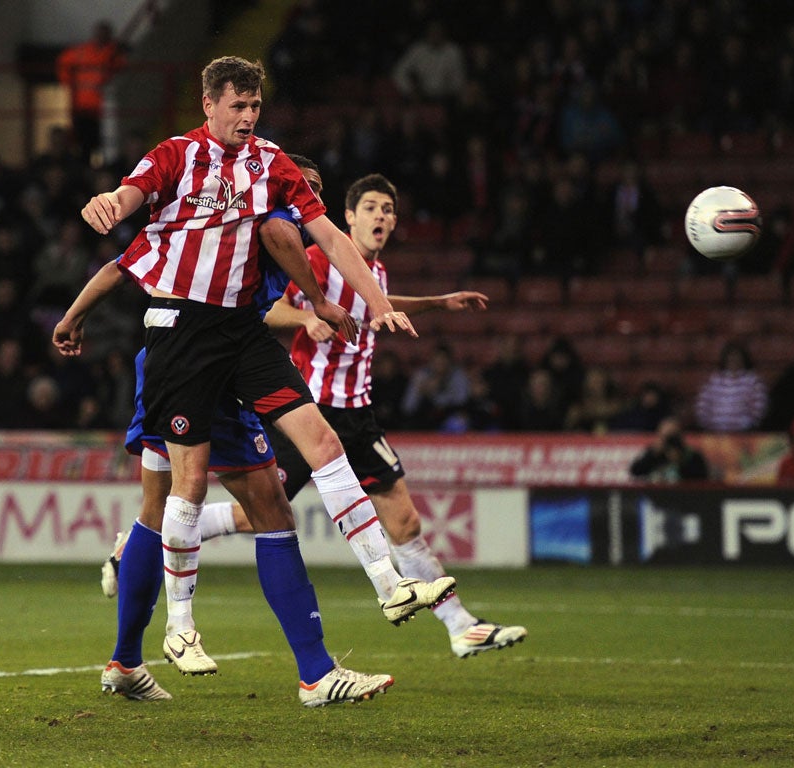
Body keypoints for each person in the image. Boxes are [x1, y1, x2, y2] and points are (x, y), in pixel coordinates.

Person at [71, 56, 426, 707]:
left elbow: (323, 235)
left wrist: (368, 298)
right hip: (179, 339)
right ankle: (160, 639)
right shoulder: (176, 161)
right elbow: (129, 208)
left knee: (280, 491)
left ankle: (325, 663)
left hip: (240, 339)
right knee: (170, 496)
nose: (247, 118)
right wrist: (109, 205)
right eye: (236, 106)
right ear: (208, 105)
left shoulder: (272, 168)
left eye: (255, 107)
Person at [265, 172, 526, 658]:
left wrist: (438, 302)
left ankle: (460, 625)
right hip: (313, 414)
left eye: (388, 209)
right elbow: (268, 309)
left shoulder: (374, 273)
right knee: (254, 513)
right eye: (371, 207)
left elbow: (377, 307)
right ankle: (146, 539)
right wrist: (305, 318)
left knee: (404, 522)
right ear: (347, 215)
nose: (381, 216)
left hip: (358, 416)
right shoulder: (320, 259)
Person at [56, 20, 127, 164]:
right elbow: (63, 63)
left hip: (102, 110)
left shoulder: (113, 54)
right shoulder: (83, 52)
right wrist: (68, 83)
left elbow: (121, 70)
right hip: (83, 108)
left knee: (104, 144)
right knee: (84, 146)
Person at [693, 340, 768, 432]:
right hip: (714, 434)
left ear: (744, 359)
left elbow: (758, 409)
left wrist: (748, 425)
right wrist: (707, 426)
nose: (733, 360)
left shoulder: (753, 381)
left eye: (737, 357)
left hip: (743, 433)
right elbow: (702, 405)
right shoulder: (713, 380)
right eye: (730, 357)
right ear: (725, 359)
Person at [628, 417, 709, 483]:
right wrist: (652, 455)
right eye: (665, 436)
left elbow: (702, 479)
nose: (669, 441)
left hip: (683, 497)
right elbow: (635, 472)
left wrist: (680, 461)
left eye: (672, 436)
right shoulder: (653, 452)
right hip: (655, 496)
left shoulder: (691, 454)